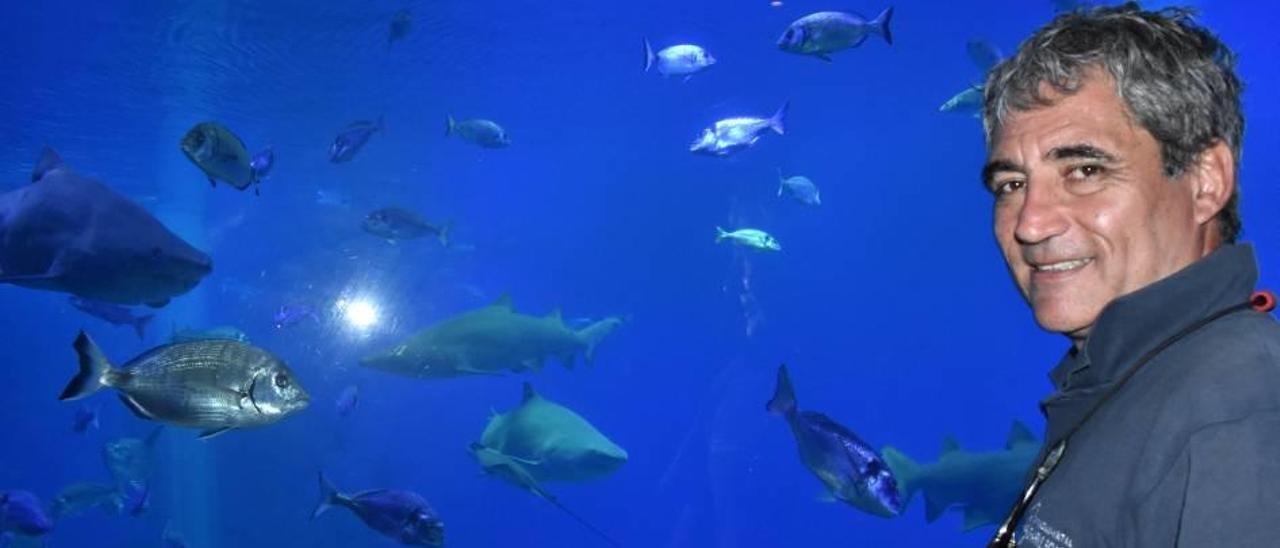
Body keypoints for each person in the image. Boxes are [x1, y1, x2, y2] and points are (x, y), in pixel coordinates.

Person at [980, 4, 1280, 547]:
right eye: (1011, 184)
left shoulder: (1240, 418)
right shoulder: (1138, 377)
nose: (1029, 223)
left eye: (1085, 171)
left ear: (1207, 182)